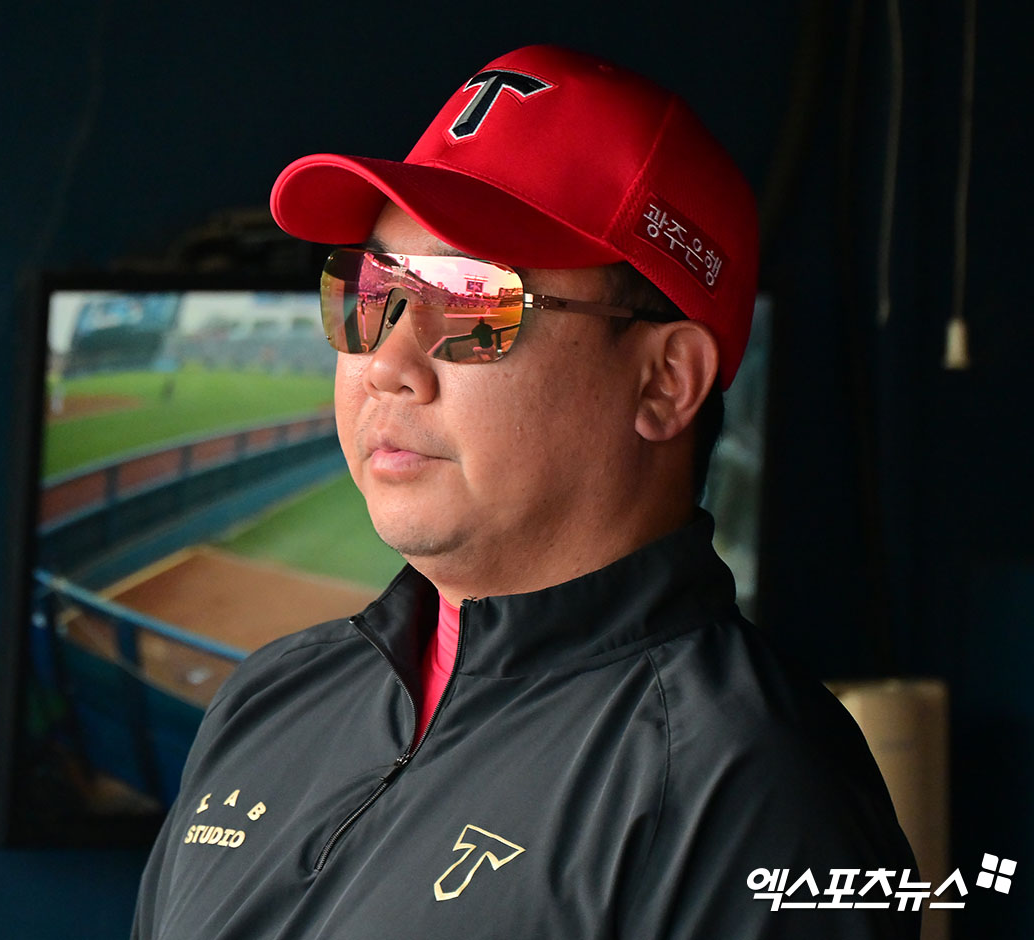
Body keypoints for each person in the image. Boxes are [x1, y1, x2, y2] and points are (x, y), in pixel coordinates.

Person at [132, 45, 918, 939]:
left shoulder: (754, 788)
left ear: (665, 382)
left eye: (473, 302)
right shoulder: (271, 695)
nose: (385, 363)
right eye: (372, 292)